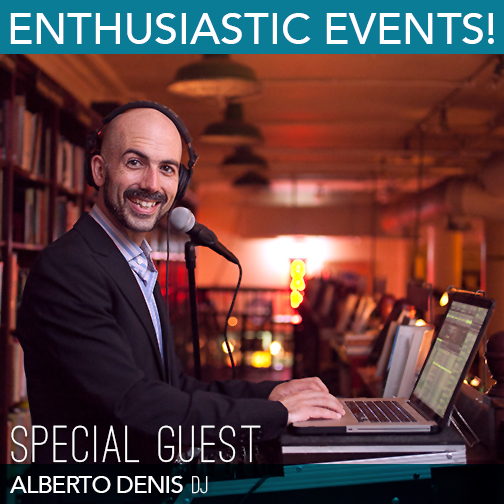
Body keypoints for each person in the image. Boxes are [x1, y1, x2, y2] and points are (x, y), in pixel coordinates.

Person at [17, 102, 344, 464]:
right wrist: (278, 416)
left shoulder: (134, 263)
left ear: (180, 182)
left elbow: (173, 388)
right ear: (99, 170)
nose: (152, 184)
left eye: (167, 169)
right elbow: (136, 404)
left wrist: (273, 394)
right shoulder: (69, 269)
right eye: (135, 162)